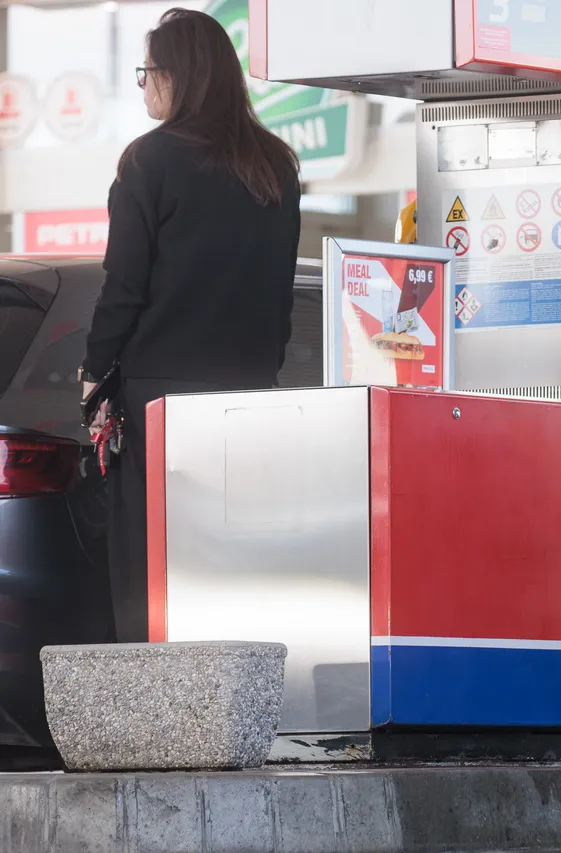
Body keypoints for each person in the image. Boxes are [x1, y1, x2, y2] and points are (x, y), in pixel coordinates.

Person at [79, 8, 301, 643]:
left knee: (148, 568)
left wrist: (95, 375)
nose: (144, 86)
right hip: (250, 401)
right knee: (232, 565)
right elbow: (279, 296)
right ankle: (231, 712)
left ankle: (155, 719)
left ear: (179, 77)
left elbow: (123, 289)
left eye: (148, 73)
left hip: (161, 406)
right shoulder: (275, 166)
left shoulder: (149, 162)